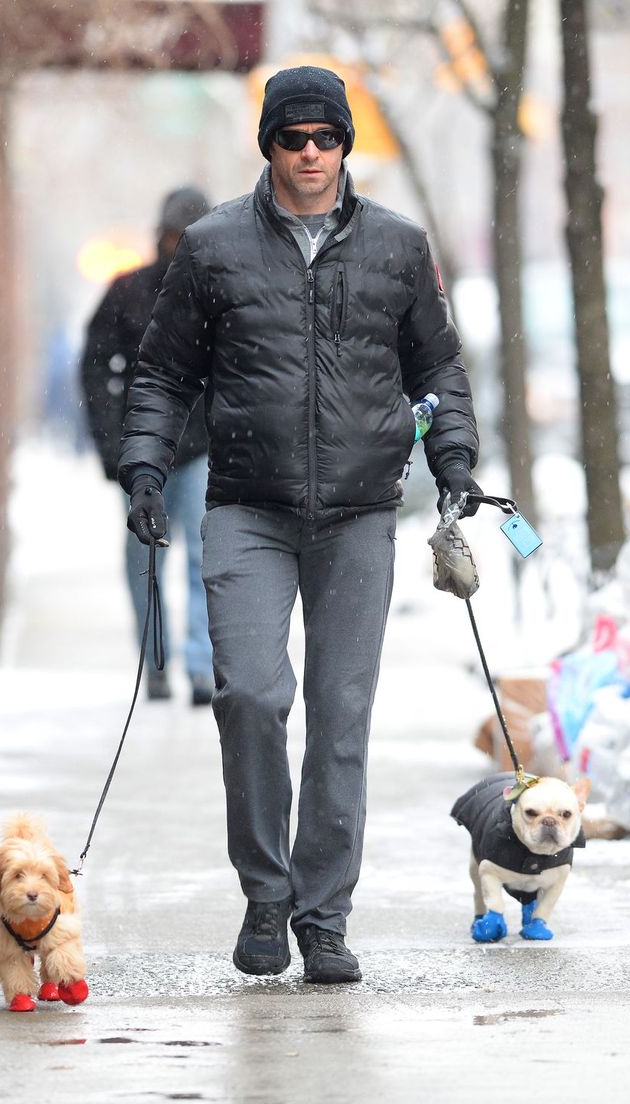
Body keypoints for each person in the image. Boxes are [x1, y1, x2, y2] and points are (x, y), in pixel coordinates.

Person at [119, 67, 481, 982]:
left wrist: (455, 465)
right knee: (249, 694)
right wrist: (144, 466)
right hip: (247, 504)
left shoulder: (398, 247)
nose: (311, 152)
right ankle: (266, 894)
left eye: (327, 137)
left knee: (341, 716)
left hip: (361, 513)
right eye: (294, 137)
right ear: (269, 145)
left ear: (346, 145)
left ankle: (323, 917)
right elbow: (162, 374)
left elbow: (437, 368)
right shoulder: (212, 248)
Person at [80, 187, 214, 705]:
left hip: (203, 450)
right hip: (140, 456)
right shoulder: (128, 292)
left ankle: (201, 666)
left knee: (206, 559)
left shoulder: (220, 294)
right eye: (174, 236)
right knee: (145, 562)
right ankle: (156, 661)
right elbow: (95, 367)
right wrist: (113, 446)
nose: (180, 246)